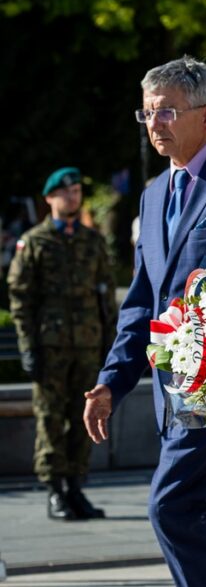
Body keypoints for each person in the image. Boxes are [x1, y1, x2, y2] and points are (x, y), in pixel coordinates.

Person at [82, 56, 206, 586]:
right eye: (147, 114)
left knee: (172, 508)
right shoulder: (154, 191)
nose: (155, 124)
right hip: (170, 391)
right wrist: (111, 382)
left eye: (166, 112)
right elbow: (143, 299)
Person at [7, 167, 116, 521]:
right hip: (50, 346)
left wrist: (110, 347)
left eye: (76, 191)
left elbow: (106, 300)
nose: (73, 196)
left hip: (87, 344)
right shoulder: (34, 242)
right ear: (50, 197)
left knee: (82, 417)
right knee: (51, 418)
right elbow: (21, 299)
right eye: (65, 191)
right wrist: (28, 347)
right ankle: (55, 490)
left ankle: (75, 487)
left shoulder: (92, 241)